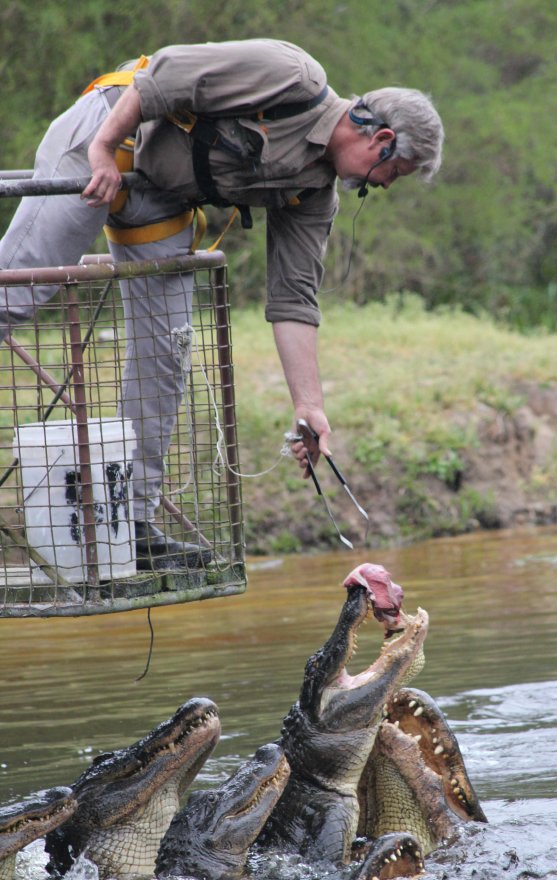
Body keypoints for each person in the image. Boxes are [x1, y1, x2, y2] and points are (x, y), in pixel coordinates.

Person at [0, 39, 444, 569]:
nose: (383, 186)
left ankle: (132, 526)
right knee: (15, 298)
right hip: (108, 138)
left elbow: (293, 301)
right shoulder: (292, 75)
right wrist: (101, 148)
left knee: (166, 352)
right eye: (392, 174)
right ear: (383, 141)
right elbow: (161, 76)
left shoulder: (315, 194)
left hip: (161, 199)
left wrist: (309, 406)